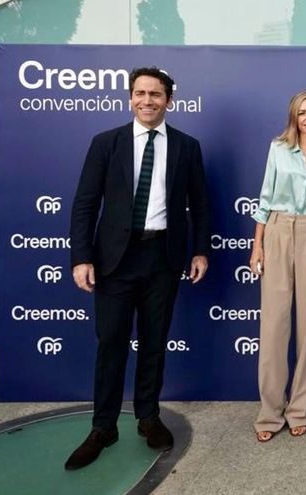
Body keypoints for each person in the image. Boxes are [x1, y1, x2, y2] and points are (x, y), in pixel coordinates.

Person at [67, 67, 210, 470]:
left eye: (156, 94)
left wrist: (200, 251)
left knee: (153, 341)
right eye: (141, 93)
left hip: (163, 258)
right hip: (114, 260)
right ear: (131, 98)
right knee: (111, 342)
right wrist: (81, 257)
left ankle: (148, 417)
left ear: (170, 100)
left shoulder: (186, 146)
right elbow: (84, 204)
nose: (148, 100)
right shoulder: (105, 143)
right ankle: (103, 427)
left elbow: (199, 204)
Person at [250, 91, 306, 441]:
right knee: (273, 325)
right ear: (294, 117)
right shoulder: (278, 149)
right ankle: (269, 413)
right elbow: (264, 197)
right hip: (277, 229)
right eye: (302, 112)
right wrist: (257, 244)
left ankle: (300, 409)